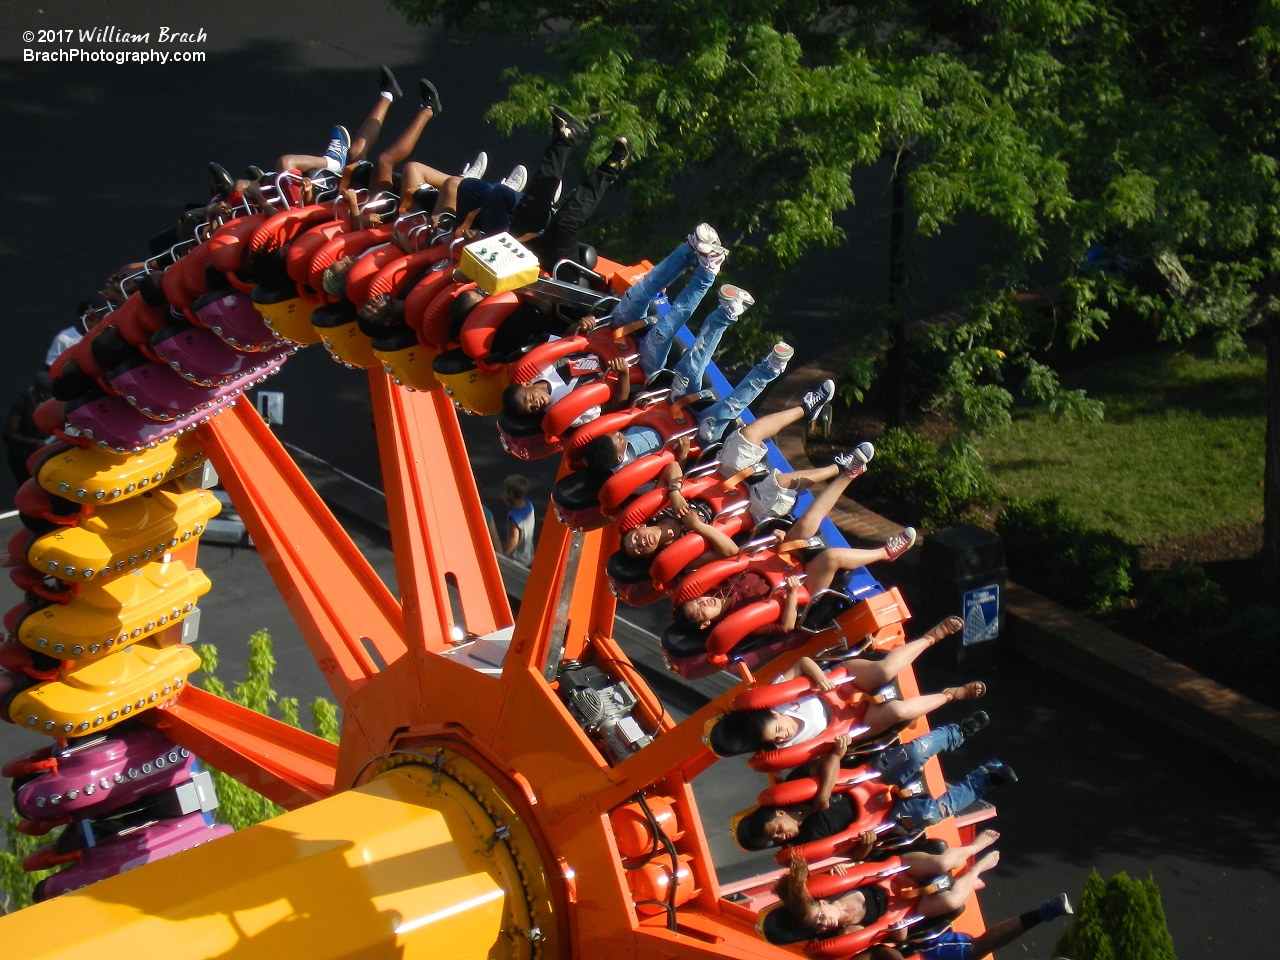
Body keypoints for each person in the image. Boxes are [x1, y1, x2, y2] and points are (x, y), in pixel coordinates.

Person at [709, 618, 972, 755]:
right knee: (900, 713)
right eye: (776, 738)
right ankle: (951, 695)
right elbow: (818, 756)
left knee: (884, 670)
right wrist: (839, 748)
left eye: (778, 729)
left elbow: (802, 663)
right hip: (849, 722)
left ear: (775, 714)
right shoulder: (782, 750)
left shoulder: (777, 698)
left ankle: (930, 638)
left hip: (841, 685)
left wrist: (820, 679)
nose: (782, 736)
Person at [734, 727, 1018, 850]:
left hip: (871, 777)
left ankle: (957, 733)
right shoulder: (804, 841)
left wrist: (822, 796)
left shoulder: (792, 789)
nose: (783, 836)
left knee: (915, 753)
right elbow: (844, 850)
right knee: (930, 815)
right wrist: (862, 848)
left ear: (778, 812)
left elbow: (827, 762)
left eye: (776, 830)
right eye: (779, 840)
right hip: (882, 813)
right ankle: (986, 778)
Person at [773, 833, 1005, 940]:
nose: (824, 924)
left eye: (820, 917)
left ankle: (972, 848)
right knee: (951, 901)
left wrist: (847, 866)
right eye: (818, 927)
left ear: (823, 903)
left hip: (895, 875)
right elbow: (896, 937)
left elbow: (863, 863)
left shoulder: (835, 886)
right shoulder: (848, 931)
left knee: (942, 862)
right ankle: (976, 869)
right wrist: (899, 929)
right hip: (906, 907)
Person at [502, 355, 633, 426]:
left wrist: (582, 324)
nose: (535, 404)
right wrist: (623, 375)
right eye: (531, 409)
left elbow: (567, 340)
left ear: (526, 384)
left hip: (608, 342)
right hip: (632, 372)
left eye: (530, 399)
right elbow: (614, 407)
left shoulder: (540, 366)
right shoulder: (564, 412)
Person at [4, 372, 53, 485]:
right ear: (37, 393)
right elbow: (10, 433)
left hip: (45, 449)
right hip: (23, 453)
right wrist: (33, 442)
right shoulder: (22, 402)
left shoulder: (52, 399)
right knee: (27, 484)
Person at [502, 474, 537, 566]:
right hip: (528, 555)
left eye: (506, 492)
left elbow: (513, 541)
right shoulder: (529, 505)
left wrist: (501, 556)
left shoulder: (514, 517)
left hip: (517, 560)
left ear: (511, 494)